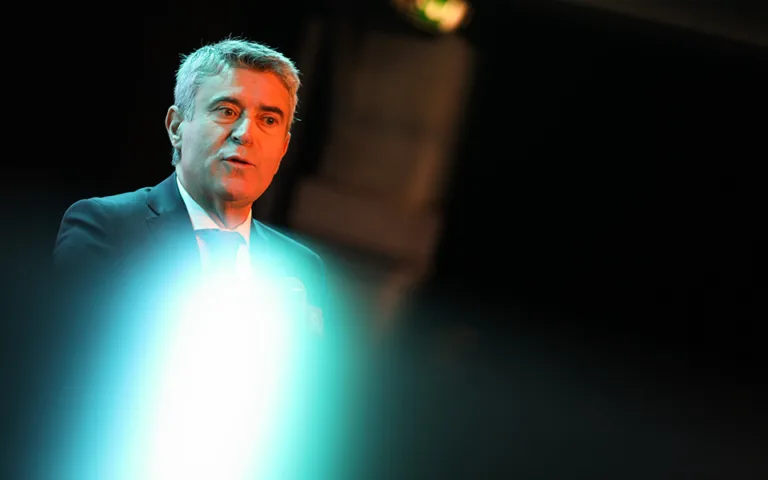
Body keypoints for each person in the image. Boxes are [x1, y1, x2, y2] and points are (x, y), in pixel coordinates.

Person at [43, 38, 335, 479]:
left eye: (268, 119)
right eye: (227, 110)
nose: (246, 133)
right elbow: (66, 381)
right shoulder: (105, 227)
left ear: (283, 147)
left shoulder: (300, 270)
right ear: (177, 125)